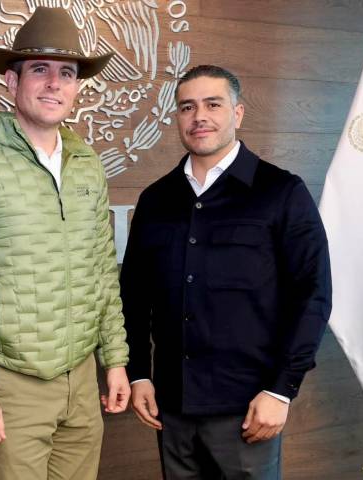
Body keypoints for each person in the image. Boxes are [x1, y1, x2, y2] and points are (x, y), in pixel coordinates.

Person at [0, 7, 130, 480]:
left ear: (77, 87)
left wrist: (115, 360)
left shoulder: (87, 164)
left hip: (82, 379)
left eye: (67, 73)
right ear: (12, 81)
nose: (54, 83)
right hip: (12, 385)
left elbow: (102, 269)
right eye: (40, 69)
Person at [121, 65, 332, 480]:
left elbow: (313, 295)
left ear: (237, 113)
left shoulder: (281, 192)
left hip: (249, 408)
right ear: (177, 117)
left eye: (213, 104)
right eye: (187, 107)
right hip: (172, 408)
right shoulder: (156, 199)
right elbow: (134, 296)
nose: (199, 116)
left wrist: (281, 390)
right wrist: (139, 373)